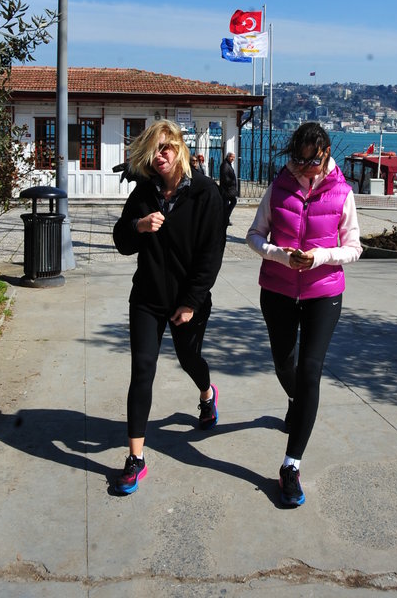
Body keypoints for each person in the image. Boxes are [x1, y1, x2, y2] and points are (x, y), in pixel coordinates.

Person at [246, 122, 362, 508]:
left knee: (310, 370)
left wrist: (320, 257)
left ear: (326, 153)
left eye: (311, 161)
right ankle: (297, 402)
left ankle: (290, 465)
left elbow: (354, 247)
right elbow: (254, 235)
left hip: (323, 293)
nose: (304, 169)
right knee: (285, 365)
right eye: (298, 160)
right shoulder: (278, 187)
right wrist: (280, 255)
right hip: (277, 290)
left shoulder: (342, 192)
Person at [112, 120, 225, 495]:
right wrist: (138, 226)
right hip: (147, 298)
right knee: (142, 370)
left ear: (179, 148)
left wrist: (191, 302)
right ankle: (136, 458)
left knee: (189, 359)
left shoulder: (206, 193)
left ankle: (206, 395)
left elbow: (211, 255)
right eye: (153, 151)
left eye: (165, 148)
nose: (159, 156)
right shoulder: (145, 192)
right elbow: (122, 241)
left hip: (188, 302)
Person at [219, 151, 237, 226]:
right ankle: (225, 218)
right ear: (228, 156)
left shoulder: (227, 164)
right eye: (232, 157)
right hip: (226, 189)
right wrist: (232, 182)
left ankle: (225, 218)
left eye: (234, 157)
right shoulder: (225, 165)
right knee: (232, 202)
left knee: (226, 205)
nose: (233, 159)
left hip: (227, 189)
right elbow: (225, 178)